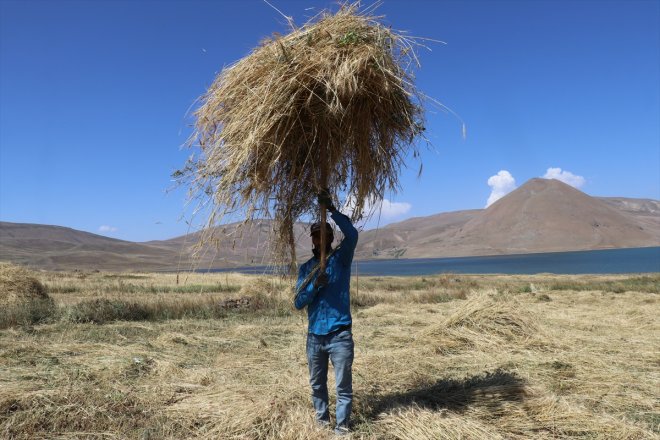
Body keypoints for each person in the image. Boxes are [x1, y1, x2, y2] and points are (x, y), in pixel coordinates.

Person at [294, 192, 358, 436]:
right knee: (317, 385)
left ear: (331, 238)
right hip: (314, 337)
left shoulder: (341, 259)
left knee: (343, 386)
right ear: (313, 240)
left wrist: (331, 209)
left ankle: (341, 429)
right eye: (317, 236)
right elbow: (298, 302)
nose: (321, 240)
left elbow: (352, 235)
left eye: (326, 235)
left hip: (339, 334)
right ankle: (321, 425)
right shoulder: (307, 269)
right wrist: (314, 285)